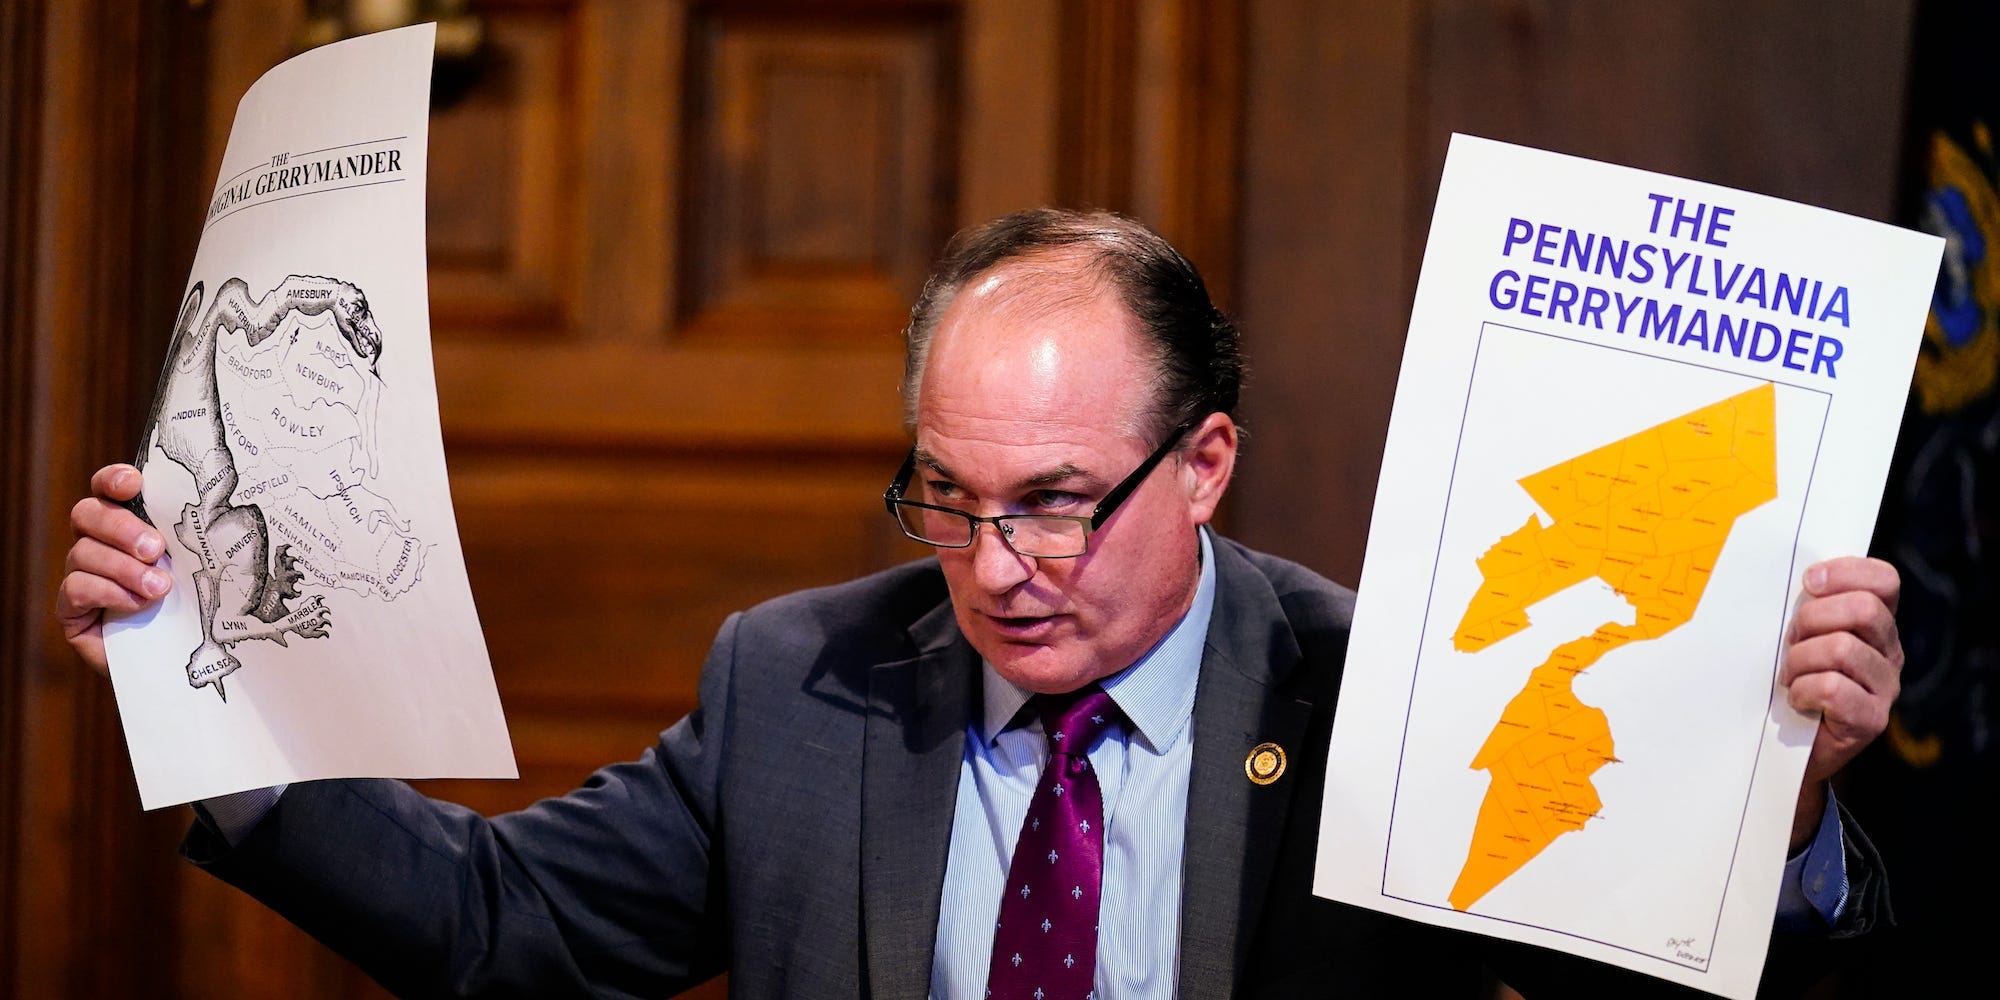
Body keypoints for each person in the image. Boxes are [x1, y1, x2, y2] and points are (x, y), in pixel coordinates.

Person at [58, 209, 1901, 998]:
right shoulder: (806, 682)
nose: (998, 566)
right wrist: (211, 707)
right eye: (949, 498)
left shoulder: (1382, 698)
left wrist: (1776, 816)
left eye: (1057, 505)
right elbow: (501, 932)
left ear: (1206, 463)